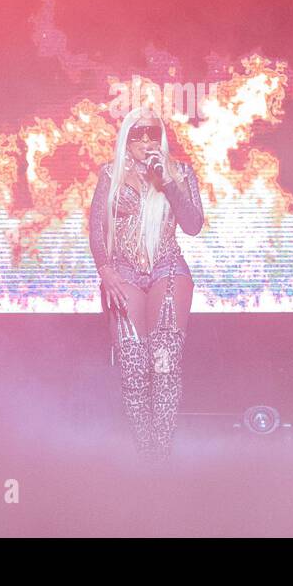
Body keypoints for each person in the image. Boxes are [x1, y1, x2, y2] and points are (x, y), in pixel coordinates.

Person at [90, 108, 204, 460]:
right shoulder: (110, 174)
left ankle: (163, 453)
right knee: (133, 366)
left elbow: (193, 224)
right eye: (136, 134)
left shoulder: (181, 172)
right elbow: (97, 228)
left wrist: (167, 181)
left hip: (167, 269)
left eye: (151, 134)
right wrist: (106, 271)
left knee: (164, 362)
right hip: (123, 272)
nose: (144, 141)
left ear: (161, 137)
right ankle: (145, 453)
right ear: (126, 137)